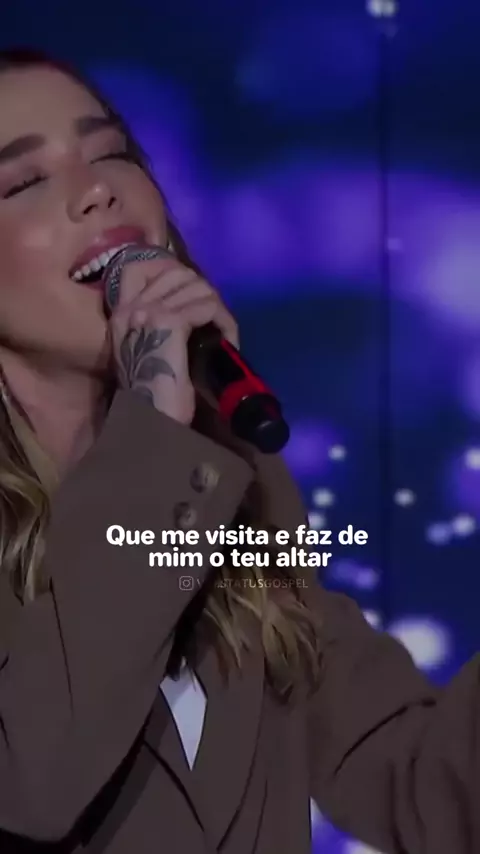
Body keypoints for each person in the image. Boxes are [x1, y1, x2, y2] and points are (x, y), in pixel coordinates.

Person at [0, 47, 476, 854]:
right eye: (23, 182)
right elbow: (33, 776)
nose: (98, 189)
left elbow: (420, 783)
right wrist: (153, 412)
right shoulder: (174, 475)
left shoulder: (228, 485)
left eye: (110, 151)